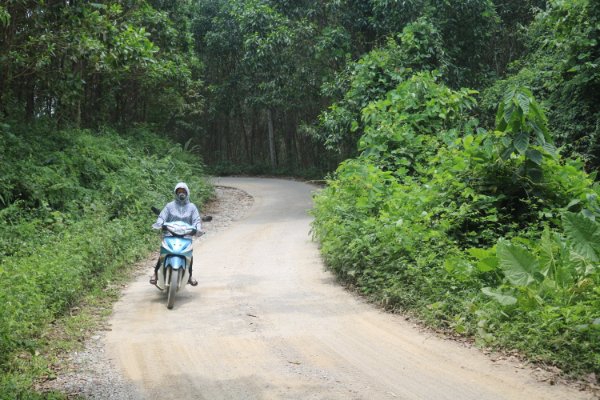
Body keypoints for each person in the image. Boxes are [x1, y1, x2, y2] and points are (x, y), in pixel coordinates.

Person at [151, 182, 202, 286]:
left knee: (189, 255)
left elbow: (196, 220)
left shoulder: (192, 207)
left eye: (183, 191)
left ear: (187, 192)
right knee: (162, 253)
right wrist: (160, 224)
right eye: (179, 191)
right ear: (175, 193)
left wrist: (197, 229)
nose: (181, 193)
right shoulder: (169, 206)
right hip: (170, 234)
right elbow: (162, 216)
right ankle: (155, 274)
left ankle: (190, 276)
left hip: (186, 235)